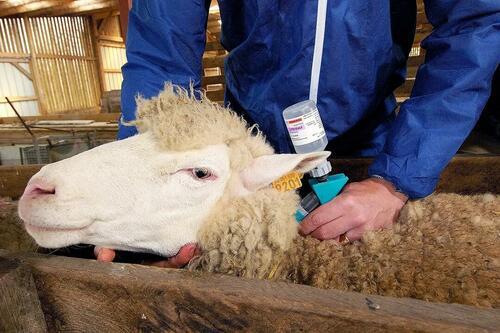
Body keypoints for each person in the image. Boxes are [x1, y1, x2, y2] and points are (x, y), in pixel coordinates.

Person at [95, 1, 500, 266]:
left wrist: (394, 181)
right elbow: (160, 49)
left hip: (369, 149)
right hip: (252, 151)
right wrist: (141, 182)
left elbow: (474, 27)